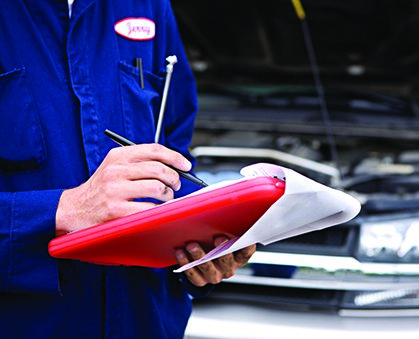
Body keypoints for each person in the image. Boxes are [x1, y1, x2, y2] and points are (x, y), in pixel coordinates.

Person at [0, 1, 255, 338]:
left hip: (148, 321)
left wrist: (207, 239)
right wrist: (64, 210)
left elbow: (174, 160)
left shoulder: (148, 6)